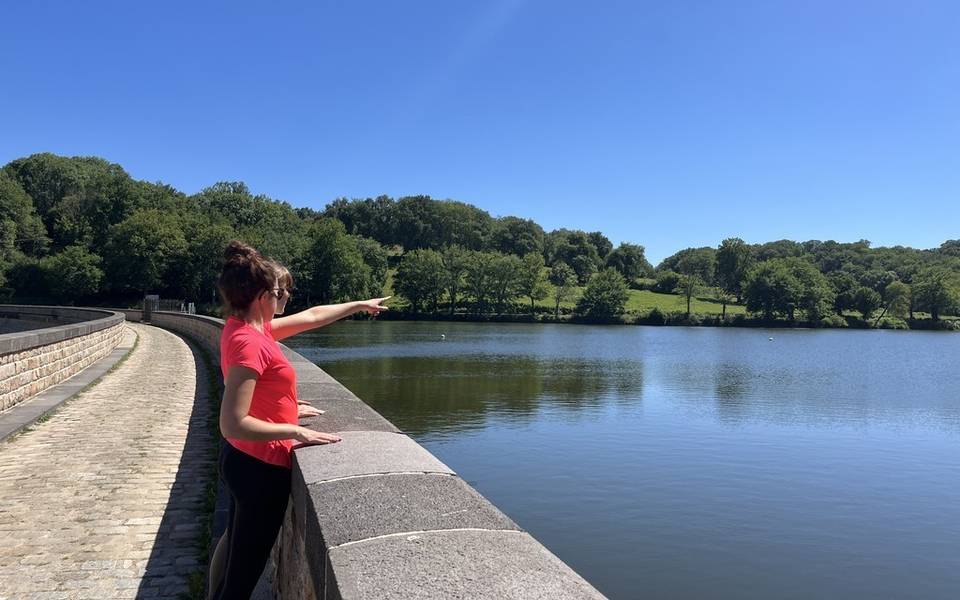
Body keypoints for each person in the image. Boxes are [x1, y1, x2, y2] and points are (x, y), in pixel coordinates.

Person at [209, 241, 389, 599]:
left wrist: (357, 305)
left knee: (233, 547)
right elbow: (232, 422)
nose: (285, 299)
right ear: (262, 295)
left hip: (242, 460)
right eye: (280, 292)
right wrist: (293, 429)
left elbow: (311, 316)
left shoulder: (245, 328)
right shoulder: (252, 341)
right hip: (259, 468)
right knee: (242, 577)